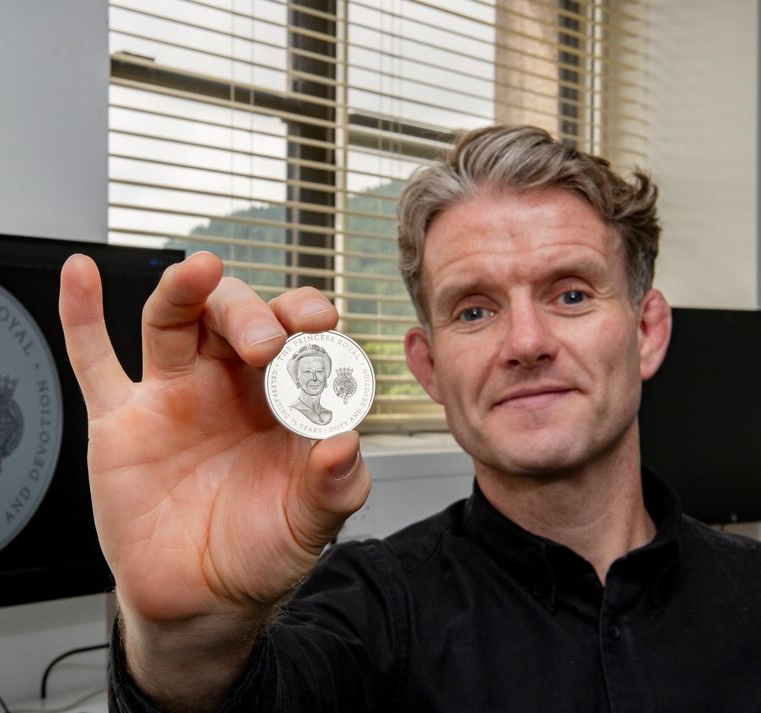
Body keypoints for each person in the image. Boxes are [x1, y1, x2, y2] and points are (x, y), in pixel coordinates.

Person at [58, 125, 761, 712]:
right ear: (427, 365)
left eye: (571, 294)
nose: (525, 343)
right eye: (475, 310)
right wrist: (185, 642)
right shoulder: (371, 613)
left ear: (647, 331)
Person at [287, 343, 333, 425]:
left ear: (325, 377)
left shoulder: (329, 413)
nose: (314, 378)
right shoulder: (292, 411)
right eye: (307, 371)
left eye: (319, 371)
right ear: (296, 378)